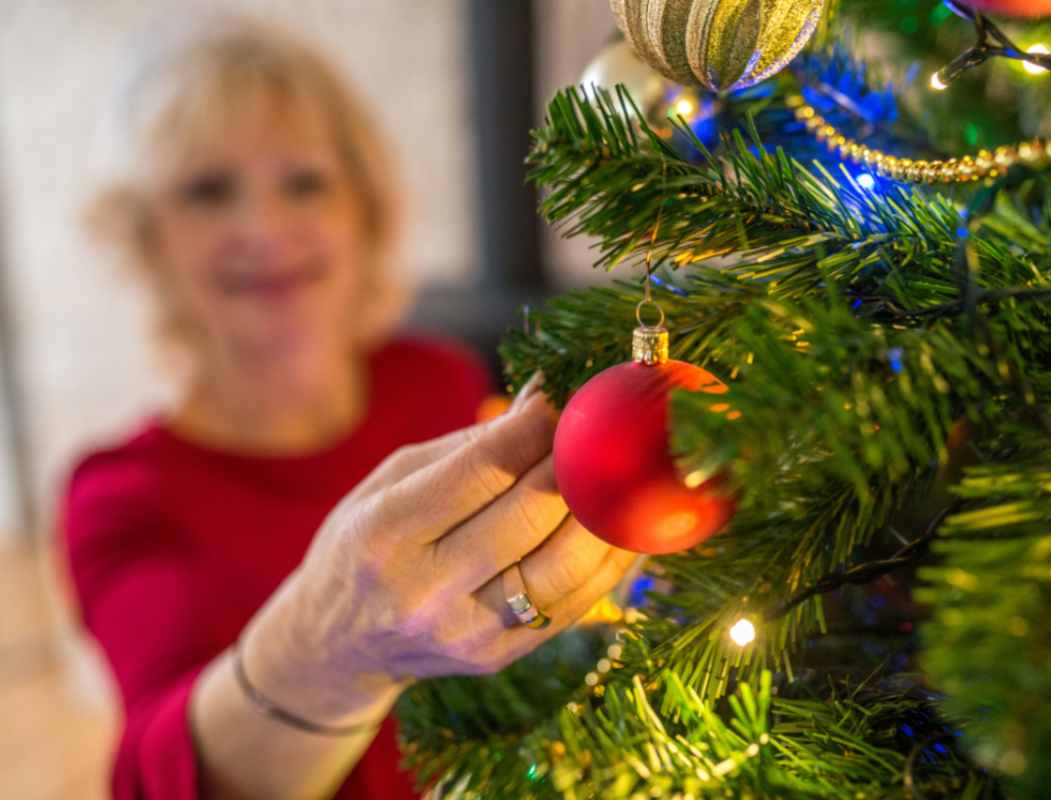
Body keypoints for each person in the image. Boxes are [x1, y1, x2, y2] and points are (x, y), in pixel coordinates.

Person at [61, 17, 638, 800]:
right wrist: (333, 648)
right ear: (145, 238)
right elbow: (157, 770)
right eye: (208, 191)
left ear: (362, 211)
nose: (264, 229)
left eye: (303, 182)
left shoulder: (435, 381)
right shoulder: (119, 496)